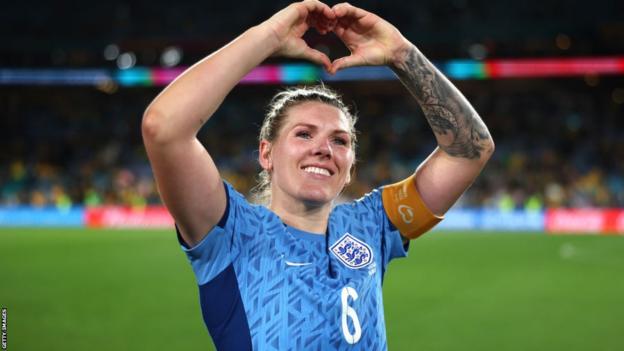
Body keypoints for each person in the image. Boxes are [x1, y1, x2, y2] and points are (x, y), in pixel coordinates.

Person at [142, 1, 494, 350]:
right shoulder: (231, 233)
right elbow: (164, 128)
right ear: (267, 153)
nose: (323, 148)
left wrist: (402, 54)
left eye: (339, 140)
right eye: (304, 134)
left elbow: (470, 151)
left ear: (350, 165)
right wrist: (268, 37)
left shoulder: (373, 225)